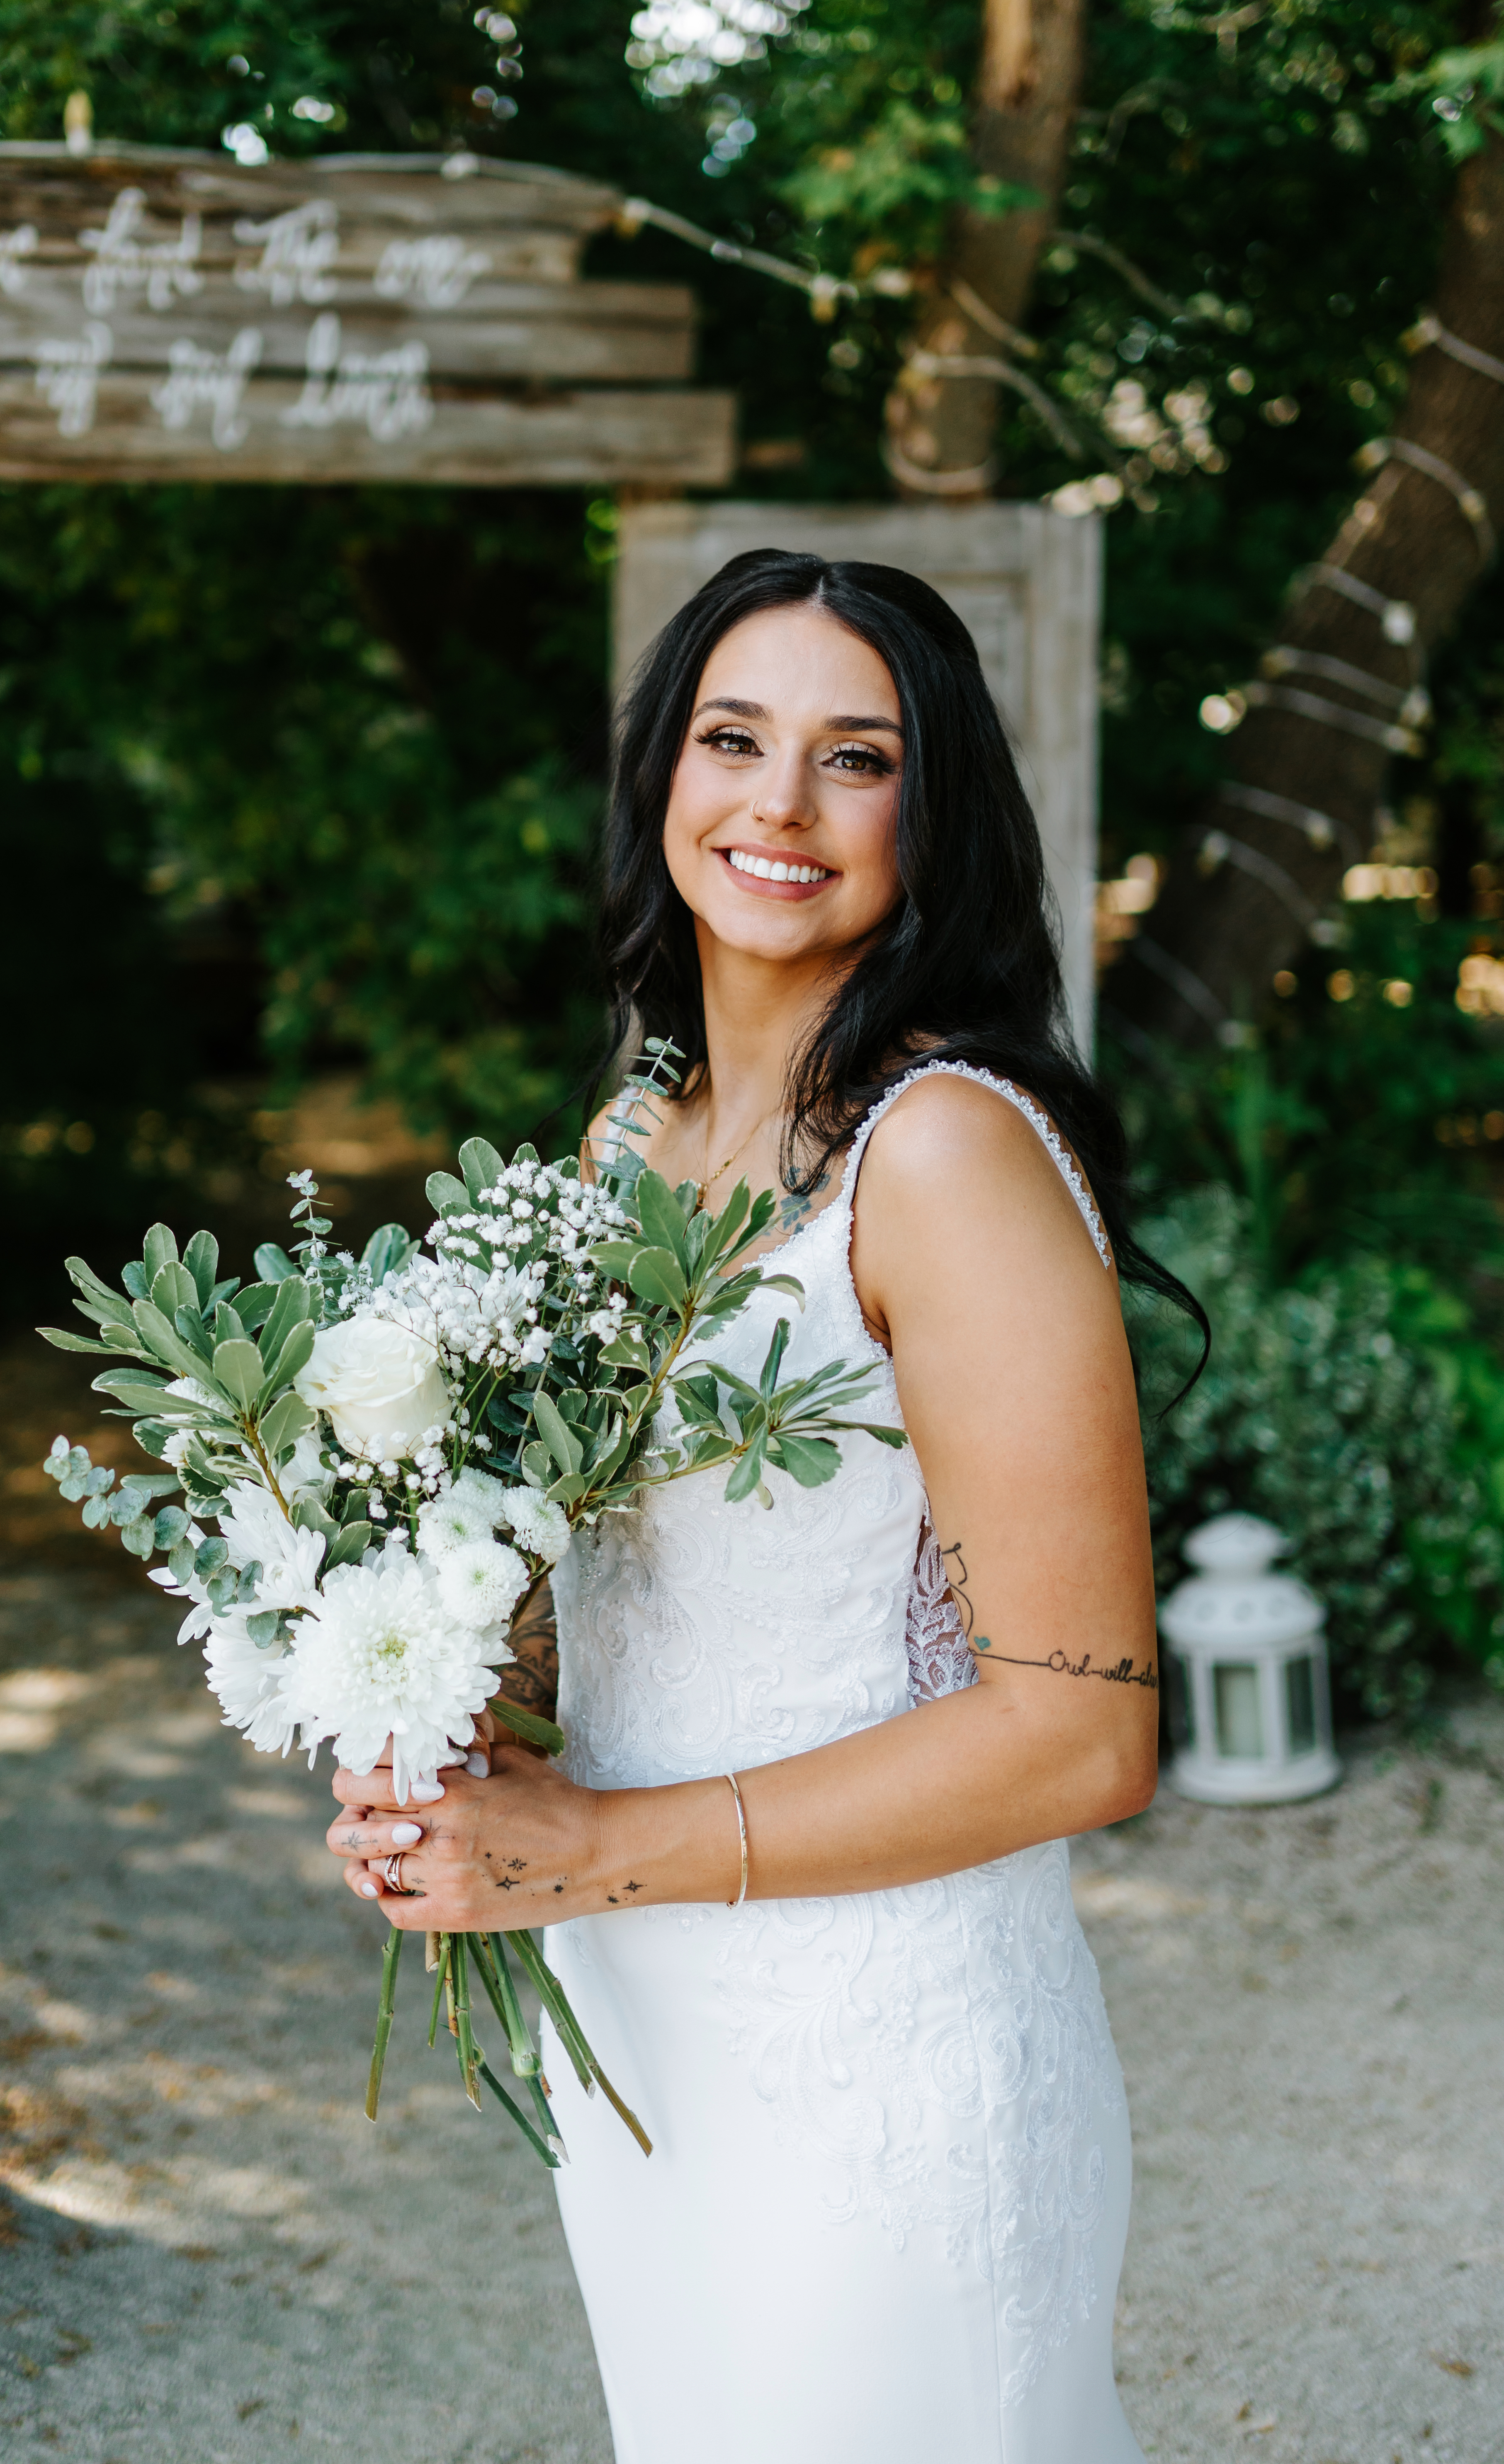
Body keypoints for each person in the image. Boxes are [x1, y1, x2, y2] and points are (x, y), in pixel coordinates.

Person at [326, 550, 1198, 2462]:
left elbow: (1082, 1728)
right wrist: (452, 1733)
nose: (778, 805)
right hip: (649, 2043)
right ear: (665, 775)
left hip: (878, 2058)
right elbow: (635, 1590)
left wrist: (586, 1845)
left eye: (854, 757)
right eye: (734, 738)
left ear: (932, 810)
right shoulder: (629, 1136)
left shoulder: (947, 1155)